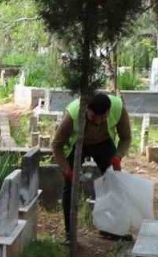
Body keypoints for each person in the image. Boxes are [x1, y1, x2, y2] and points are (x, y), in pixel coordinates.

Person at [51, 93, 132, 239]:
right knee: (69, 187)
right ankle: (70, 233)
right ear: (86, 110)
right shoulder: (73, 114)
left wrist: (118, 156)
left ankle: (112, 229)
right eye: (93, 118)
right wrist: (66, 169)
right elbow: (56, 145)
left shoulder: (118, 108)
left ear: (108, 111)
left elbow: (126, 138)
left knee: (115, 182)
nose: (99, 122)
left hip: (104, 142)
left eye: (103, 118)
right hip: (79, 143)